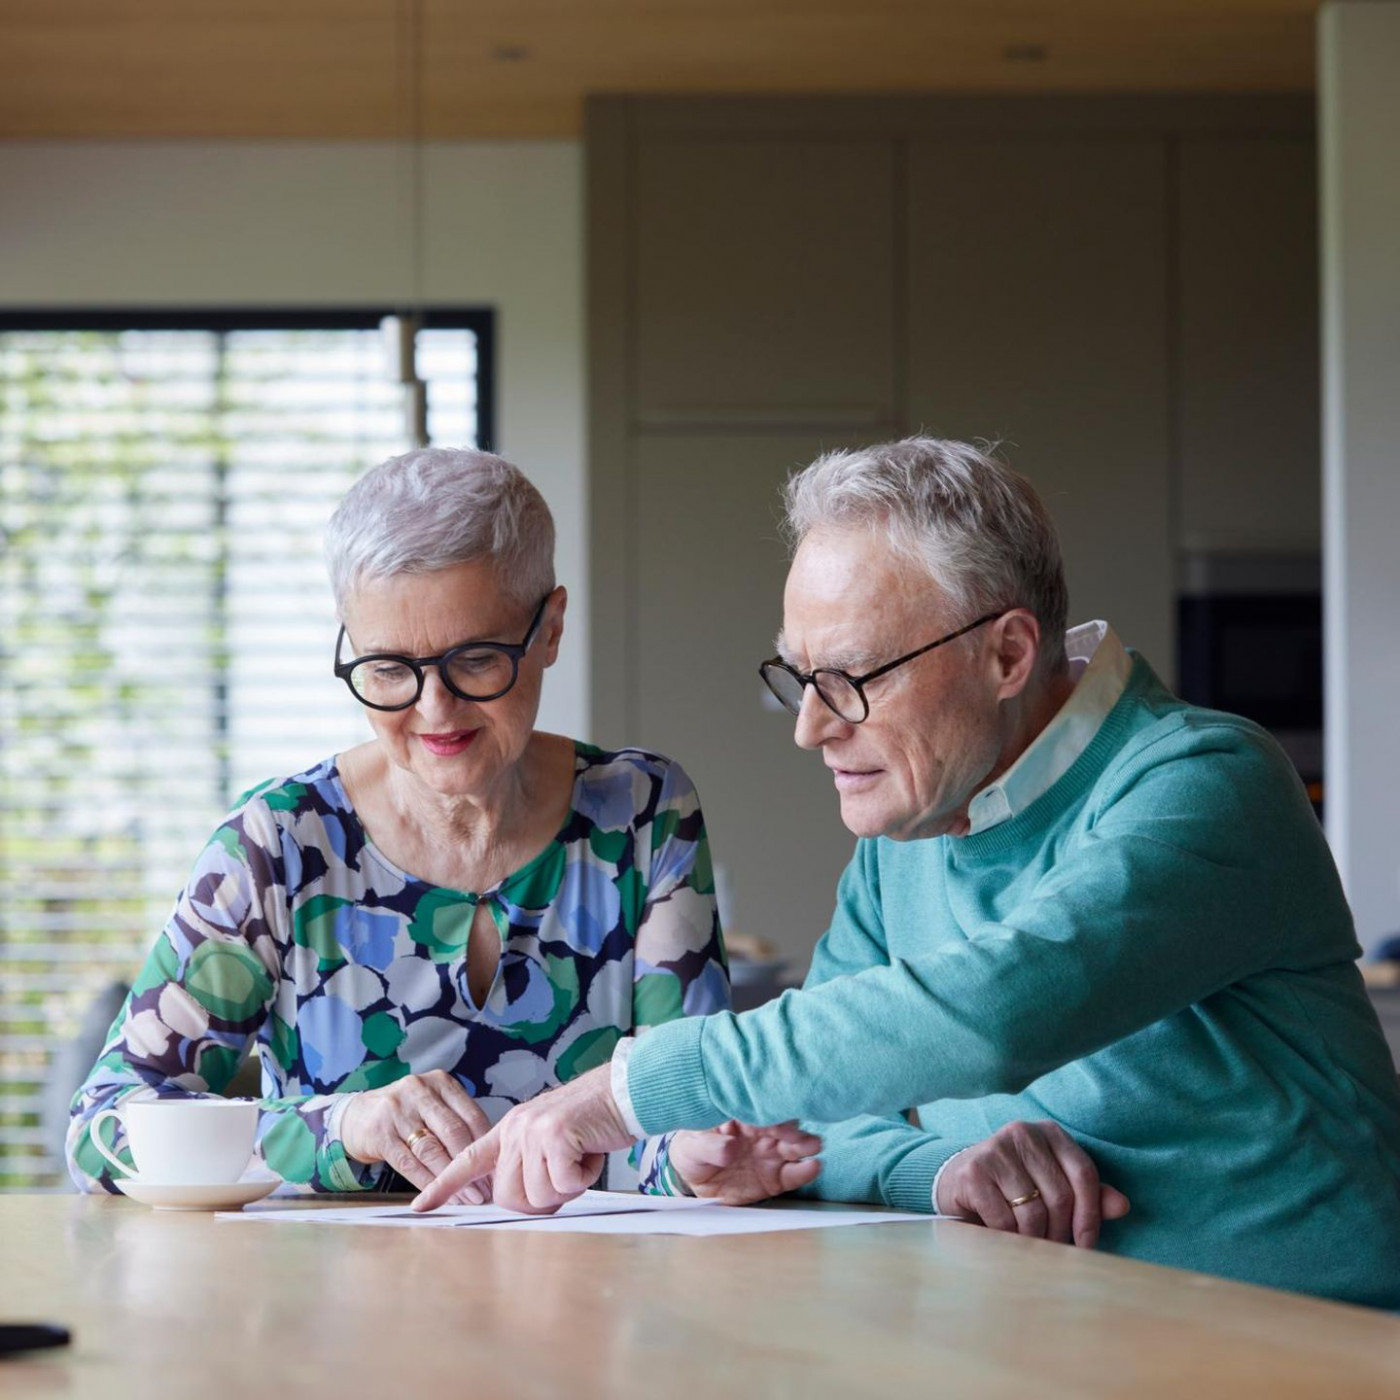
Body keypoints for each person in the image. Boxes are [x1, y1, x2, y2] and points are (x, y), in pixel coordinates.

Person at [417, 437, 1400, 1309]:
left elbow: (988, 1013)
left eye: (850, 678)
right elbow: (804, 1120)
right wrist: (943, 1167)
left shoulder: (1201, 781)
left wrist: (626, 1089)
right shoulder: (909, 833)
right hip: (1070, 1332)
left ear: (1006, 653)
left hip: (1312, 1340)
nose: (810, 726)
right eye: (797, 679)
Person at [67, 446, 776, 1198]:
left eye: (475, 659)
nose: (433, 709)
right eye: (388, 669)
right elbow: (101, 1128)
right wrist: (340, 1129)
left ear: (551, 629)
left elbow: (677, 1111)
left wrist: (697, 1161)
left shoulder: (642, 812)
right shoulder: (280, 844)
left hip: (587, 1291)